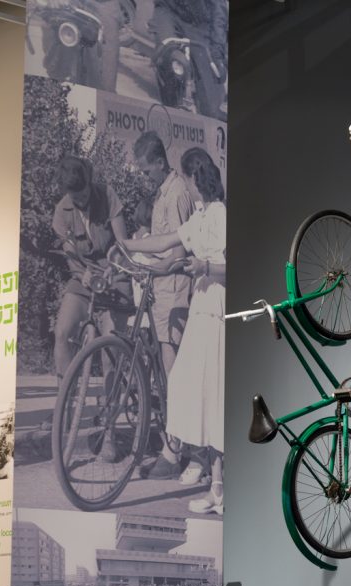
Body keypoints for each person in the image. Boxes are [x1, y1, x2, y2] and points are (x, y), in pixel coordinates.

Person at [124, 159, 225, 514]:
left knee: (212, 396)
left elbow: (235, 264)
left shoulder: (221, 215)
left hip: (217, 309)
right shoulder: (201, 215)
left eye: (189, 176)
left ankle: (216, 485)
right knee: (186, 385)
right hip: (201, 308)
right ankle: (211, 477)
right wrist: (128, 246)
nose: (187, 182)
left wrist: (205, 266)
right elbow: (167, 242)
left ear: (198, 178)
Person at [130, 131, 193, 479]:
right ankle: (173, 443)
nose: (143, 176)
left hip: (175, 292)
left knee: (175, 377)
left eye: (145, 170)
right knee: (167, 378)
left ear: (158, 162)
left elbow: (181, 249)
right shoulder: (161, 194)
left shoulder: (178, 193)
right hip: (161, 291)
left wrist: (152, 265)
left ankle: (175, 451)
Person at [50, 156, 132, 385]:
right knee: (62, 333)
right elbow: (69, 254)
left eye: (84, 194)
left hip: (115, 273)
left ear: (89, 181)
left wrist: (114, 267)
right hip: (83, 275)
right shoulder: (61, 211)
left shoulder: (107, 195)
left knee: (110, 346)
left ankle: (111, 402)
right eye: (75, 198)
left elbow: (123, 243)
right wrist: (82, 274)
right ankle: (65, 400)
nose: (81, 201)